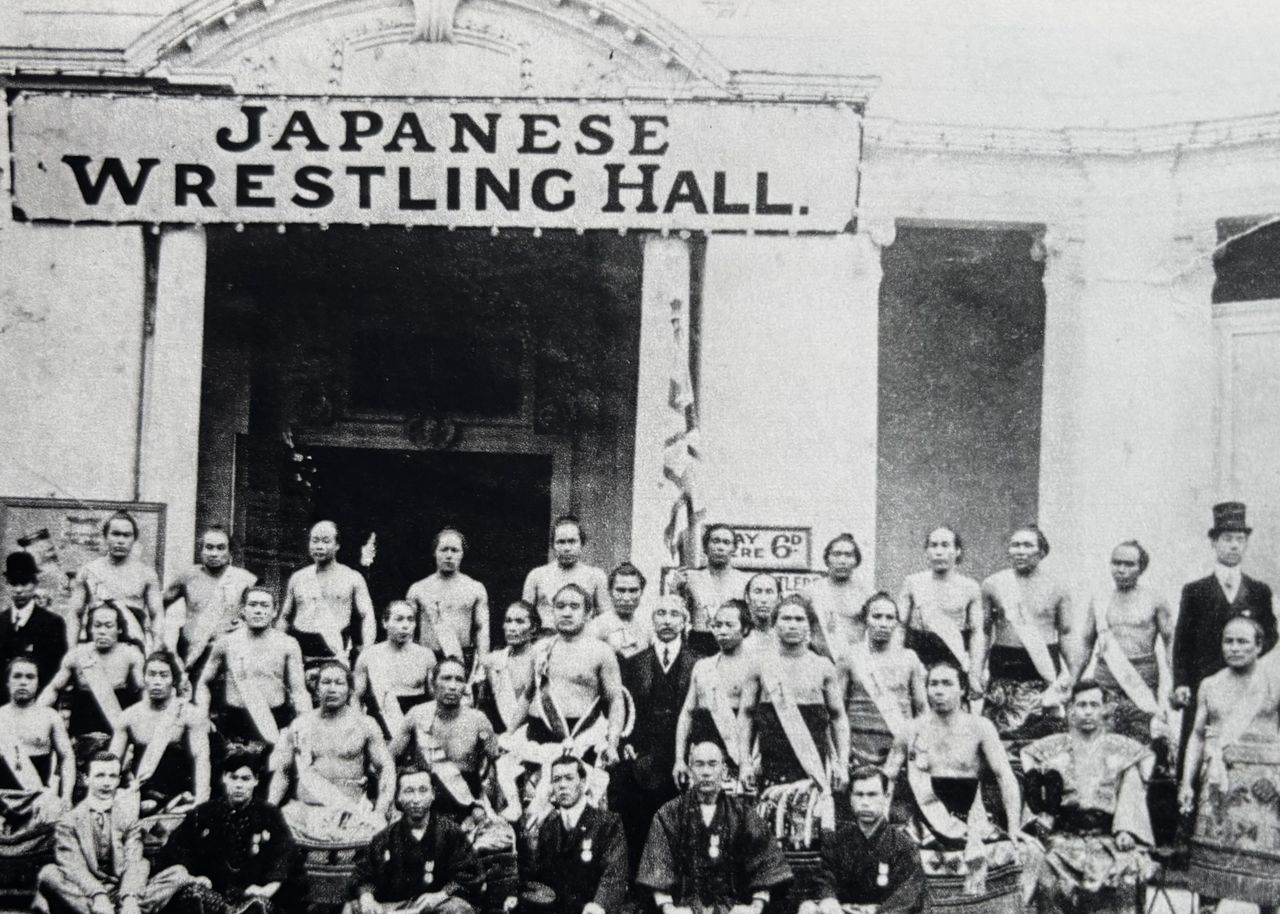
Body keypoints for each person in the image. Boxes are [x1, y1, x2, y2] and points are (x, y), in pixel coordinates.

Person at [884, 660, 1029, 914]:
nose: (938, 690)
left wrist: (1014, 827)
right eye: (933, 684)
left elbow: (1005, 775)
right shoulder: (910, 730)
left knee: (1012, 853)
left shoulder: (980, 727)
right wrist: (881, 826)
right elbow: (887, 779)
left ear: (962, 689)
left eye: (947, 683)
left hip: (972, 816)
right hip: (923, 818)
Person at [740, 595, 849, 910]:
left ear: (810, 625)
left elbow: (839, 718)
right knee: (770, 841)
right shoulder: (760, 665)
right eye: (785, 618)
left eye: (799, 619)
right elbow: (746, 715)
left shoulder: (823, 666)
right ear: (774, 625)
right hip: (770, 769)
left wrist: (841, 762)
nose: (792, 625)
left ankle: (810, 902)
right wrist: (745, 762)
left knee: (813, 841)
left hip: (813, 770)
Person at [1022, 680, 1155, 914]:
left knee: (1127, 867)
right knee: (1047, 866)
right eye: (1081, 705)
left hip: (1108, 837)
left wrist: (1126, 830)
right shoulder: (1055, 748)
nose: (1088, 711)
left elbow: (1133, 786)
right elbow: (1029, 762)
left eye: (1094, 705)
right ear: (1071, 708)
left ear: (1104, 709)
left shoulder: (1121, 749)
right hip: (1063, 836)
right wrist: (1043, 818)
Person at [1180, 615, 1280, 913]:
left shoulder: (1273, 684)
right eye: (1228, 641)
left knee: (1268, 882)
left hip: (1265, 789)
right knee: (1211, 876)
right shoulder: (1210, 685)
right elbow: (1197, 737)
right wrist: (1186, 783)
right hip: (1216, 786)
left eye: (1242, 641)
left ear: (1259, 646)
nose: (1234, 648)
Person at [1174, 502, 1277, 777]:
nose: (1234, 546)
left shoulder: (1259, 591)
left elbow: (1270, 636)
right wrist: (1182, 682)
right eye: (1228, 539)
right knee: (1196, 749)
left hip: (1247, 686)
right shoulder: (1195, 591)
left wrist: (1246, 663)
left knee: (1243, 750)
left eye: (1240, 540)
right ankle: (1190, 811)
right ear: (1214, 542)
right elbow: (1182, 640)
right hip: (1203, 684)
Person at [637, 740, 792, 914]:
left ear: (724, 771)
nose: (706, 772)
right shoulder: (669, 814)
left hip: (732, 907)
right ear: (690, 770)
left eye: (712, 765)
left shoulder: (744, 814)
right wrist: (669, 907)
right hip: (685, 907)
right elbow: (658, 864)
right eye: (699, 765)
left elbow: (765, 862)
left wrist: (755, 907)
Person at [153, 746, 302, 914]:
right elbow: (178, 848)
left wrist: (268, 888)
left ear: (256, 781)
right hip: (211, 896)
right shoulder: (204, 812)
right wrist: (192, 878)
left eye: (245, 779)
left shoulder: (269, 815)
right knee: (192, 895)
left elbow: (285, 854)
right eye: (234, 778)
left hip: (250, 896)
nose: (239, 785)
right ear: (225, 778)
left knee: (260, 906)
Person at [33, 751, 188, 914]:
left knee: (177, 872)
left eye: (112, 776)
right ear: (86, 779)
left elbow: (134, 861)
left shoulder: (127, 818)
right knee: (49, 873)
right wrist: (98, 895)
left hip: (120, 891)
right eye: (100, 776)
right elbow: (74, 867)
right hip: (85, 893)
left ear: (118, 780)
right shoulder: (69, 821)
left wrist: (130, 897)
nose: (107, 783)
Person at [980, 524, 1081, 767]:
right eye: (1015, 545)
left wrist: (1073, 677)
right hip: (1002, 673)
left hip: (1042, 672)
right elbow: (983, 631)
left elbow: (1066, 633)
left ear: (1042, 551)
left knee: (1042, 747)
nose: (1020, 551)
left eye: (1027, 545)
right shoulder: (994, 584)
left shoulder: (1058, 587)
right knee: (1000, 748)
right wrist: (977, 669)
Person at [268, 659, 396, 843]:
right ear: (316, 687)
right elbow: (283, 772)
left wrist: (380, 811)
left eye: (339, 683)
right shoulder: (301, 725)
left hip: (351, 815)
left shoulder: (365, 724)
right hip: (304, 814)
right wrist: (269, 808)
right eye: (326, 682)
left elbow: (386, 767)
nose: (332, 688)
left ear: (350, 689)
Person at [613, 597, 695, 874]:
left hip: (681, 760)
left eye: (675, 614)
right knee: (638, 823)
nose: (668, 620)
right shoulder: (633, 664)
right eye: (661, 613)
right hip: (642, 759)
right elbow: (621, 707)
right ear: (652, 619)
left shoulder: (699, 663)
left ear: (684, 622)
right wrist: (625, 743)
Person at [346, 766, 484, 914]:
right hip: (395, 908)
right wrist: (366, 897)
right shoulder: (384, 838)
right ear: (398, 797)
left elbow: (470, 874)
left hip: (434, 907)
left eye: (423, 790)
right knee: (353, 908)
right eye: (409, 791)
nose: (416, 799)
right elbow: (364, 875)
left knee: (458, 908)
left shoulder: (451, 833)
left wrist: (441, 895)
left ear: (433, 794)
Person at [1077, 541, 1174, 744]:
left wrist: (1175, 682)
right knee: (1101, 736)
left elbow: (1170, 642)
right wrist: (1073, 681)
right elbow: (1086, 642)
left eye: (1129, 564)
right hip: (1105, 677)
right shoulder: (1101, 599)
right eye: (1116, 563)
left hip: (1142, 679)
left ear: (1141, 567)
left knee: (1139, 736)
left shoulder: (1155, 599)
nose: (1121, 569)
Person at [197, 587, 310, 752]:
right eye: (253, 605)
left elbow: (299, 690)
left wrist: (303, 723)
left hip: (274, 721)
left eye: (264, 606)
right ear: (243, 610)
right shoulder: (227, 642)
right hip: (234, 721)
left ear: (274, 612)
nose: (258, 611)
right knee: (232, 775)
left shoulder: (287, 644)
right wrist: (202, 715)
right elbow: (203, 683)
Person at [800, 767, 926, 914]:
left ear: (886, 797)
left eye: (872, 795)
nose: (865, 802)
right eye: (859, 795)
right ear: (850, 798)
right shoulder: (836, 842)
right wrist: (829, 899)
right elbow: (824, 879)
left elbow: (908, 896)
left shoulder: (904, 846)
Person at [516, 755, 628, 914]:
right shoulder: (548, 829)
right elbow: (540, 882)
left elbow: (614, 875)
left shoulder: (607, 824)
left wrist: (599, 906)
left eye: (569, 778)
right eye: (556, 780)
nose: (562, 785)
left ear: (582, 782)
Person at [391, 658, 499, 818]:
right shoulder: (417, 715)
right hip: (423, 805)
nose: (453, 686)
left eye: (459, 680)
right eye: (446, 678)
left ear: (465, 686)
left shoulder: (478, 720)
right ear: (433, 682)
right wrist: (395, 804)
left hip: (467, 804)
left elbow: (497, 763)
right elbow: (389, 760)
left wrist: (487, 805)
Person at [109, 652, 209, 816]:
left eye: (164, 675)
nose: (157, 682)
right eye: (152, 674)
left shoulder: (189, 714)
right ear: (144, 678)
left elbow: (202, 760)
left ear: (174, 680)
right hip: (141, 792)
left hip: (180, 793)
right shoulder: (129, 716)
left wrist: (200, 803)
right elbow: (112, 762)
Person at [161, 526, 257, 682]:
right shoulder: (188, 577)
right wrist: (163, 640)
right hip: (191, 656)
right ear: (201, 549)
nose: (214, 554)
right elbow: (158, 607)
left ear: (230, 551)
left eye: (221, 548)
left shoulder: (245, 580)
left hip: (228, 657)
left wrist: (246, 626)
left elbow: (263, 615)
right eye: (209, 547)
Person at [674, 600, 754, 786]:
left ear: (745, 629)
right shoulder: (703, 666)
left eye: (729, 625)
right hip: (705, 756)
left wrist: (746, 761)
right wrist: (680, 759)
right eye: (717, 625)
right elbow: (687, 714)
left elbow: (756, 718)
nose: (722, 631)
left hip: (739, 756)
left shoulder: (755, 667)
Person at [39, 603, 144, 742]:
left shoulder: (131, 654)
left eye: (108, 626)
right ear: (90, 628)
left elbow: (143, 690)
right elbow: (54, 688)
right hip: (83, 730)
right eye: (97, 625)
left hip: (117, 729)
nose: (102, 631)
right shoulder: (77, 655)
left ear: (119, 629)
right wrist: (35, 714)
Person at [280, 520, 375, 667]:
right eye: (315, 541)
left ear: (337, 545)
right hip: (300, 653)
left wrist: (367, 651)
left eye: (326, 541)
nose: (319, 546)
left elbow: (367, 615)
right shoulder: (298, 578)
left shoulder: (352, 577)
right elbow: (284, 617)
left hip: (334, 652)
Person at [0, 656, 75, 834]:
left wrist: (66, 796)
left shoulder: (50, 717)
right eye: (17, 676)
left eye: (29, 677)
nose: (23, 682)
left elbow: (67, 757)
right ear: (8, 682)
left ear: (38, 682)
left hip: (37, 798)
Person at [68, 512, 164, 650]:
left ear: (134, 539)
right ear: (106, 536)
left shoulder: (147, 574)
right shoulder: (88, 571)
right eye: (115, 534)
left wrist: (156, 649)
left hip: (133, 647)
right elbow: (75, 614)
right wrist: (72, 650)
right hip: (96, 647)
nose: (120, 540)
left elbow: (157, 615)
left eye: (126, 535)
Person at [899, 526, 986, 675]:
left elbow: (977, 633)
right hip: (919, 658)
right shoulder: (912, 582)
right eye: (933, 545)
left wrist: (975, 672)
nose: (939, 552)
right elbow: (899, 627)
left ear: (957, 551)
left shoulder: (970, 587)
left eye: (945, 545)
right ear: (926, 551)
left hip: (954, 658)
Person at [406, 527, 490, 671]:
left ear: (462, 554)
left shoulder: (475, 588)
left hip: (461, 658)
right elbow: (408, 629)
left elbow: (482, 630)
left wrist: (482, 665)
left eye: (454, 550)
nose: (449, 555)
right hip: (427, 658)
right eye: (444, 550)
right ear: (435, 552)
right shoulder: (418, 589)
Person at [354, 600, 435, 740]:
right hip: (380, 732)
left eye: (410, 620)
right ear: (385, 623)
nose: (405, 626)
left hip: (417, 732)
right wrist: (361, 728)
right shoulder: (369, 656)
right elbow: (355, 697)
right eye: (399, 619)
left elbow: (435, 698)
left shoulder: (426, 656)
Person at [0, 552, 68, 704]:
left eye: (24, 583)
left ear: (35, 584)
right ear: (6, 584)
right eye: (13, 583)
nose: (18, 590)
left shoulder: (52, 624)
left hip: (37, 708)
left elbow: (56, 673)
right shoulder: (1, 621)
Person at [674, 523, 751, 657]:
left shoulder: (744, 581)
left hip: (733, 642)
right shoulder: (691, 578)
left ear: (734, 548)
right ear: (705, 546)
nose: (720, 547)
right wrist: (675, 589)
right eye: (715, 541)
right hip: (699, 642)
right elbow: (676, 613)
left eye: (726, 542)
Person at [522, 516, 612, 624]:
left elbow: (607, 618)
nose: (566, 548)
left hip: (583, 638)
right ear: (553, 545)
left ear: (581, 543)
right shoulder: (536, 576)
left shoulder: (596, 576)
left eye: (572, 541)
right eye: (561, 542)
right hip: (546, 637)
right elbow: (523, 619)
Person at [470, 601, 538, 734]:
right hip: (502, 734)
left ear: (533, 627)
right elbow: (481, 707)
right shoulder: (493, 661)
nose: (512, 628)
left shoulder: (541, 659)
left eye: (519, 622)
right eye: (508, 621)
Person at [802, 533, 871, 654]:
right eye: (837, 554)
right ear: (827, 559)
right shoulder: (811, 591)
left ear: (856, 561)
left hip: (854, 663)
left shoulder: (866, 593)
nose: (842, 561)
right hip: (820, 662)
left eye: (848, 555)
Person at [587, 562, 653, 659]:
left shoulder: (646, 625)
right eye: (621, 590)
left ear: (641, 592)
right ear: (610, 592)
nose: (626, 598)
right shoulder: (596, 627)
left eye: (633, 590)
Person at [742, 573, 781, 655]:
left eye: (769, 592)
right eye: (758, 592)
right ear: (747, 597)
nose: (763, 599)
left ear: (779, 598)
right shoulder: (738, 637)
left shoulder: (785, 638)